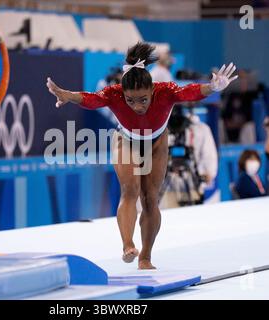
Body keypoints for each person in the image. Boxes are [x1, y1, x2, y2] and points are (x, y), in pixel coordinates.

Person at [46, 42, 238, 269]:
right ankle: (128, 245)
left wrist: (212, 88)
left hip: (156, 141)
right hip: (126, 140)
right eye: (130, 100)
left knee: (150, 199)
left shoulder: (165, 91)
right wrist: (68, 95)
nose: (137, 106)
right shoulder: (114, 93)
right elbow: (92, 99)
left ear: (153, 91)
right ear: (123, 94)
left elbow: (190, 92)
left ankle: (145, 256)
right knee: (130, 191)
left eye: (143, 100)